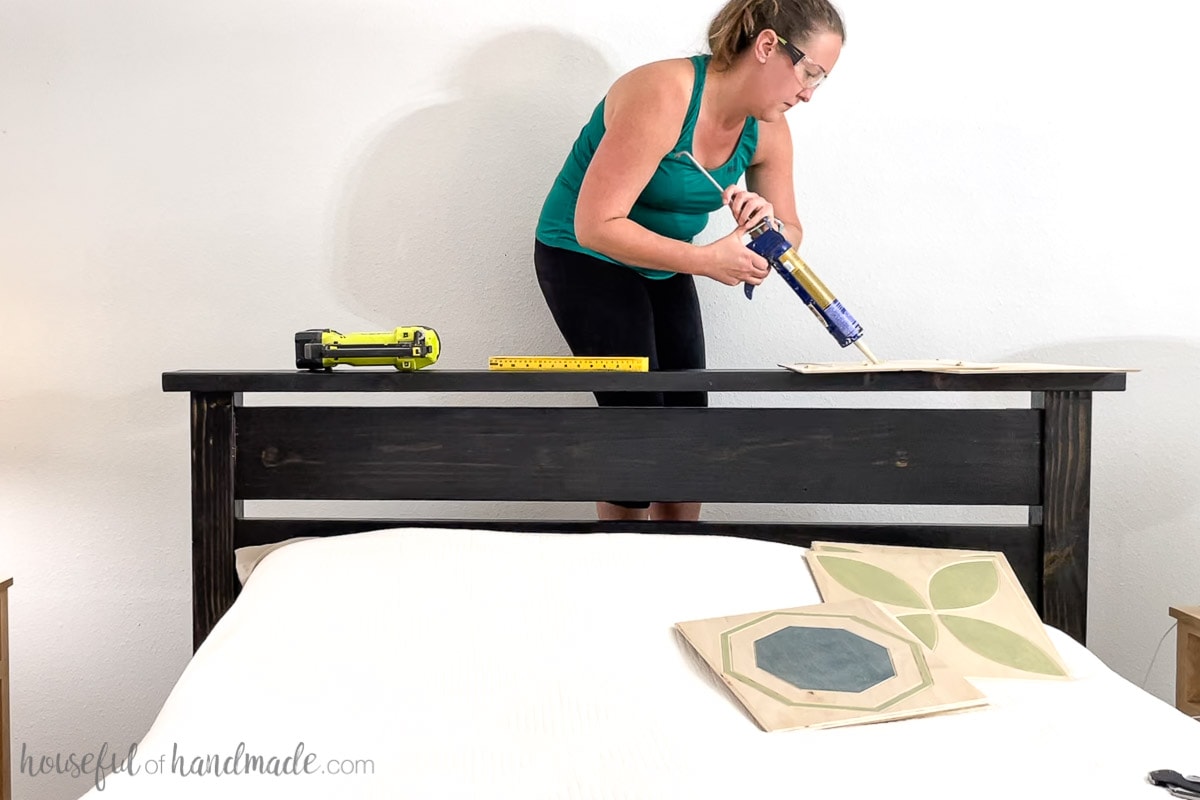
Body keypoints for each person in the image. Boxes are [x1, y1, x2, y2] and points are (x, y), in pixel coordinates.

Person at [533, 0, 845, 522]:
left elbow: (789, 232)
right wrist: (704, 260)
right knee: (637, 419)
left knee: (687, 420)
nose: (809, 94)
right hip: (582, 253)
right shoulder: (665, 93)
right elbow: (597, 224)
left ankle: (680, 561)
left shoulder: (766, 128)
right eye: (809, 71)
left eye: (821, 80)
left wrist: (763, 230)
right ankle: (620, 564)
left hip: (670, 261)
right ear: (767, 46)